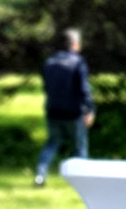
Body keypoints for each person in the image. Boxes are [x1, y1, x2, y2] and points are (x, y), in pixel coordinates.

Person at [34, 29, 95, 186]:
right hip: (73, 112)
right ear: (75, 44)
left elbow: (47, 87)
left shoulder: (50, 61)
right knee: (79, 147)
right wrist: (88, 109)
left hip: (53, 110)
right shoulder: (78, 62)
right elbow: (84, 88)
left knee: (52, 143)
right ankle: (84, 181)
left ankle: (40, 174)